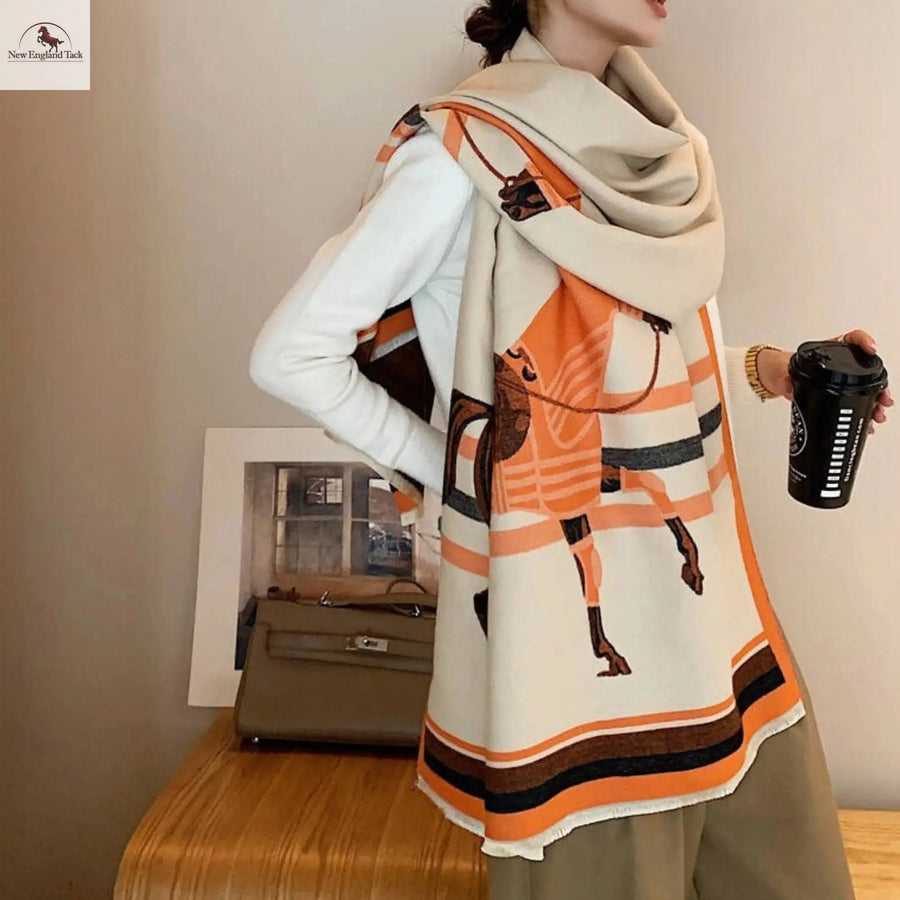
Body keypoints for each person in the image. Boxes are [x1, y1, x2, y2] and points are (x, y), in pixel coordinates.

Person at [249, 2, 891, 896]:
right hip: (579, 669)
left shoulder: (664, 155)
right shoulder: (462, 157)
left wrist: (769, 369)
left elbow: (641, 371)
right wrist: (464, 476)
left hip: (716, 621)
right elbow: (290, 355)